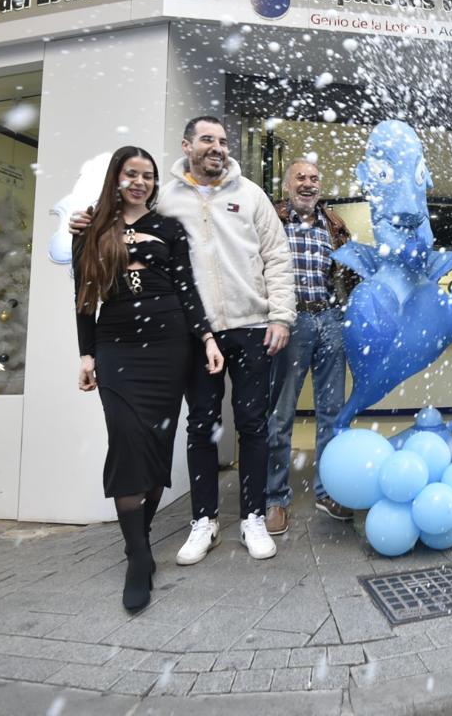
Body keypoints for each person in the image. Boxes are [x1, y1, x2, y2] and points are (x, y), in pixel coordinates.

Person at [72, 117, 295, 563]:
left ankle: (252, 516)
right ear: (187, 145)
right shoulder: (165, 198)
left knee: (253, 424)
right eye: (208, 139)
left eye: (224, 141)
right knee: (202, 427)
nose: (218, 147)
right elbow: (126, 220)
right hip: (195, 333)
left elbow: (277, 256)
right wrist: (88, 221)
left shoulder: (251, 195)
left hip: (252, 326)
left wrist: (281, 316)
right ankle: (204, 521)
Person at [73, 146, 224, 611]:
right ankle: (139, 556)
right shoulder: (90, 227)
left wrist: (206, 338)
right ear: (115, 178)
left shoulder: (168, 227)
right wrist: (86, 354)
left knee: (157, 446)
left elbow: (186, 287)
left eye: (148, 176)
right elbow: (83, 297)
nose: (140, 182)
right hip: (117, 345)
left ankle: (139, 538)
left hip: (170, 344)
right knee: (125, 437)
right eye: (131, 174)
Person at [264, 159, 356, 535]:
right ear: (287, 185)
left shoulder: (332, 224)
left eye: (314, 179)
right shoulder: (272, 220)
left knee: (332, 413)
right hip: (290, 322)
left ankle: (327, 490)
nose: (308, 184)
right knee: (280, 415)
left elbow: (349, 276)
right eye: (300, 177)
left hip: (330, 321)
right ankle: (275, 498)